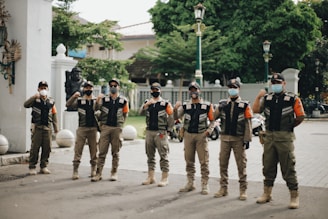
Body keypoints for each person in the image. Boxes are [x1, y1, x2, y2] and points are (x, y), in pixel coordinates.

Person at [252, 73, 305, 209]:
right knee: (268, 167)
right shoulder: (267, 98)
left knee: (288, 167)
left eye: (278, 82)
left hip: (284, 138)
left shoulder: (292, 98)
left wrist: (289, 126)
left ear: (284, 84)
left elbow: (300, 116)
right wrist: (259, 96)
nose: (276, 85)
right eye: (273, 83)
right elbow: (256, 110)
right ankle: (267, 194)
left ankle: (294, 196)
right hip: (269, 138)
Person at [213, 78, 253, 200]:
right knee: (223, 164)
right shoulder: (223, 104)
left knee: (241, 165)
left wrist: (247, 139)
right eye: (230, 87)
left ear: (238, 89)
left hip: (238, 139)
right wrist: (218, 108)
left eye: (234, 88)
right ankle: (223, 188)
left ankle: (243, 190)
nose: (232, 90)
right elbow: (213, 117)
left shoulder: (244, 105)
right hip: (225, 138)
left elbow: (248, 123)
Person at [174, 82, 215, 195]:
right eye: (191, 90)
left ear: (199, 91)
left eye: (195, 90)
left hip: (201, 135)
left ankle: (205, 184)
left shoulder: (207, 105)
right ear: (189, 92)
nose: (193, 92)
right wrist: (175, 108)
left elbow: (213, 120)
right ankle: (190, 183)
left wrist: (209, 131)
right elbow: (176, 117)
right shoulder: (186, 105)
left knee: (204, 161)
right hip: (188, 135)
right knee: (189, 160)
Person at [91, 78, 129, 182]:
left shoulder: (123, 101)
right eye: (111, 86)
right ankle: (98, 173)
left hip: (117, 128)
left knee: (115, 152)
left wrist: (120, 125)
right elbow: (95, 110)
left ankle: (114, 172)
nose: (113, 87)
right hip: (105, 127)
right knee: (102, 151)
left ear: (119, 87)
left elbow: (125, 114)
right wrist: (97, 100)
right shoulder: (104, 100)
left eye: (115, 86)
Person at [139, 82, 174, 187]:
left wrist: (169, 130)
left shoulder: (165, 104)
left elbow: (171, 117)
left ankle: (164, 177)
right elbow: (140, 113)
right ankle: (151, 177)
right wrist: (146, 105)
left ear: (160, 91)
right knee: (150, 155)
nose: (155, 92)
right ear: (150, 91)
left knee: (163, 155)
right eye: (153, 90)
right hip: (149, 131)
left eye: (157, 90)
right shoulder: (147, 102)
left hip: (161, 132)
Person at [24, 81, 59, 175]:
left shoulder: (51, 101)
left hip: (48, 127)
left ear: (47, 89)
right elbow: (25, 105)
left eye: (45, 88)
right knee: (35, 148)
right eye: (41, 88)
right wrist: (33, 97)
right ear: (38, 89)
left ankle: (44, 166)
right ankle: (32, 166)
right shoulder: (35, 100)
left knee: (47, 148)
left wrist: (56, 128)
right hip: (37, 127)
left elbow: (54, 114)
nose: (43, 89)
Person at [66, 81, 98, 180]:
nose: (88, 89)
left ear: (93, 88)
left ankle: (93, 169)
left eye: (90, 88)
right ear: (83, 89)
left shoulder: (96, 100)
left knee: (94, 150)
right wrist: (74, 96)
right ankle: (75, 170)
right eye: (86, 88)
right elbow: (68, 104)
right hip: (82, 128)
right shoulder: (79, 101)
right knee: (78, 149)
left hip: (93, 128)